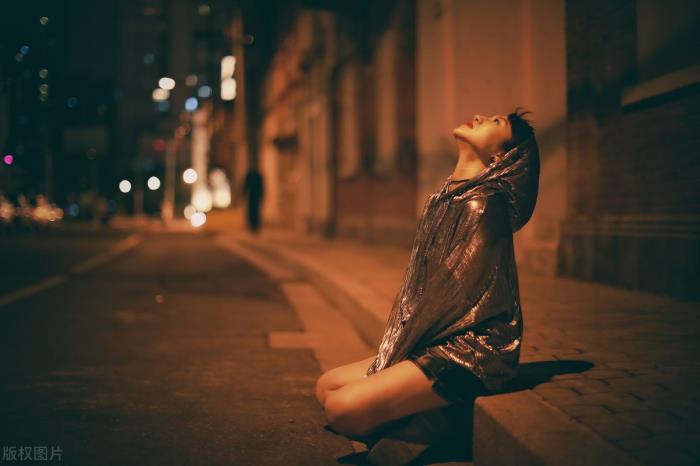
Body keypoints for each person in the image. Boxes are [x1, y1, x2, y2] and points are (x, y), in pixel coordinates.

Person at [315, 108, 540, 463]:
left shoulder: (482, 205)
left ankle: (441, 426)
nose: (479, 116)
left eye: (495, 122)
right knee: (326, 386)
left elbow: (454, 299)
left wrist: (401, 350)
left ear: (500, 157)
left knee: (342, 409)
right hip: (435, 337)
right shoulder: (446, 196)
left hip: (470, 350)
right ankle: (420, 420)